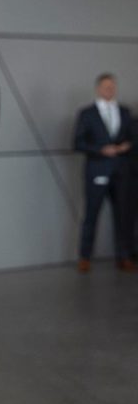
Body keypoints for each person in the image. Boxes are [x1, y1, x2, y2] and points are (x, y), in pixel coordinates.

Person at [73, 73, 134, 272]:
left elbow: (133, 138)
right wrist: (100, 150)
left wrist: (126, 146)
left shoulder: (125, 112)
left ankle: (124, 256)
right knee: (91, 214)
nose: (110, 90)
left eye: (112, 86)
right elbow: (78, 143)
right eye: (106, 86)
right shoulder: (87, 114)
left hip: (121, 172)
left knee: (123, 216)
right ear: (98, 88)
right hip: (97, 170)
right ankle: (85, 256)